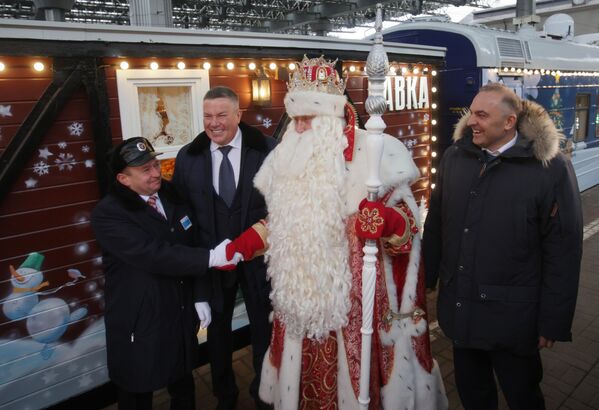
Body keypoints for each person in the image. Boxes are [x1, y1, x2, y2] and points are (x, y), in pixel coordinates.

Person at [226, 56, 447, 409]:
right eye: (294, 119)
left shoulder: (376, 153)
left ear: (331, 118)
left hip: (354, 311)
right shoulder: (287, 156)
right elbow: (285, 220)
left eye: (306, 119)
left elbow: (408, 232)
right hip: (299, 306)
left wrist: (388, 223)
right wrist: (250, 241)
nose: (297, 129)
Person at [423, 82, 583, 409]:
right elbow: (436, 225)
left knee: (523, 396)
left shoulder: (549, 169)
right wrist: (422, 285)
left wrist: (553, 320)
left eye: (482, 115)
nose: (471, 122)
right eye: (472, 113)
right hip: (461, 309)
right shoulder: (456, 158)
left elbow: (563, 250)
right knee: (473, 395)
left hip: (514, 320)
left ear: (509, 123)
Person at [91, 137, 240, 409]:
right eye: (145, 170)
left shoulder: (172, 195)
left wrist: (200, 294)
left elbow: (191, 239)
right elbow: (153, 253)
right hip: (139, 317)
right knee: (137, 390)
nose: (156, 173)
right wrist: (210, 258)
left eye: (155, 164)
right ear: (124, 179)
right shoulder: (109, 214)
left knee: (182, 383)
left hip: (179, 310)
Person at [172, 86, 276, 409]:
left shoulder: (268, 151)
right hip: (214, 264)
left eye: (221, 115)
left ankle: (265, 393)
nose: (213, 123)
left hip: (259, 263)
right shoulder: (188, 158)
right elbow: (181, 214)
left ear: (238, 115)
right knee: (217, 335)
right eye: (207, 116)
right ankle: (224, 396)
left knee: (264, 329)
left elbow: (281, 207)